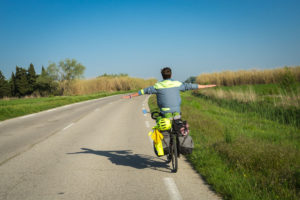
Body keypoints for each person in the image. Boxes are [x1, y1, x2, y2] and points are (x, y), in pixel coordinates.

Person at [122, 67, 216, 118]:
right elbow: (191, 86)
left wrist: (130, 96)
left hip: (164, 113)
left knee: (160, 126)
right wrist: (206, 86)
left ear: (162, 76)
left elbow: (142, 91)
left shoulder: (157, 86)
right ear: (171, 75)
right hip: (176, 112)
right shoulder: (177, 83)